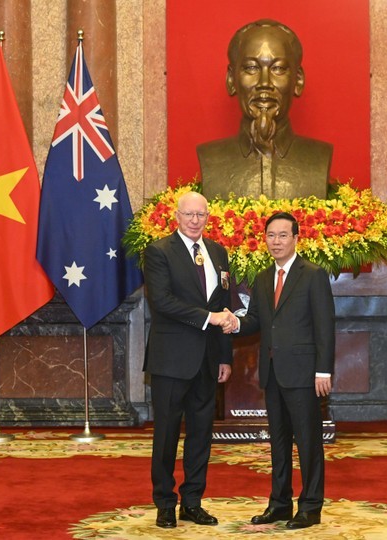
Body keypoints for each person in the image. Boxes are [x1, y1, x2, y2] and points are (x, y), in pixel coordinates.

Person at [229, 212, 335, 529]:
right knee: (278, 442)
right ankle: (279, 504)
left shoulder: (313, 274)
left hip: (304, 374)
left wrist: (323, 371)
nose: (276, 241)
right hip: (273, 372)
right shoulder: (262, 279)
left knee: (308, 442)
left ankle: (311, 506)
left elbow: (325, 326)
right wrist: (232, 321)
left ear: (296, 238)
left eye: (282, 235)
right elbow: (256, 323)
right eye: (271, 236)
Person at [143, 191, 238, 528]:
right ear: (177, 216)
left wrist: (225, 355)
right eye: (189, 214)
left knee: (201, 433)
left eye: (201, 215)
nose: (195, 220)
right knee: (167, 433)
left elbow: (225, 302)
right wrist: (207, 318)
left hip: (209, 359)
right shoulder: (158, 252)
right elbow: (163, 302)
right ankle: (165, 503)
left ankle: (193, 501)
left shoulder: (217, 252)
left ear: (208, 217)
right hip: (171, 359)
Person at [198, 19, 332, 200]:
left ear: (298, 80)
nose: (264, 83)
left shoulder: (318, 157)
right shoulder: (211, 158)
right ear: (231, 79)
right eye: (251, 68)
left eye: (278, 68)